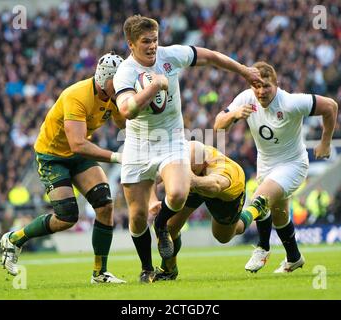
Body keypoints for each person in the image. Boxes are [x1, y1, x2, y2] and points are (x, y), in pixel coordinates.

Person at [113, 15, 263, 283]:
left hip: (171, 140)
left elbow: (210, 57)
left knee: (179, 193)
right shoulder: (125, 72)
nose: (152, 46)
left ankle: (162, 227)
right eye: (145, 41)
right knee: (136, 218)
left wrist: (243, 70)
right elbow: (127, 110)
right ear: (131, 44)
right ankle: (147, 268)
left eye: (155, 40)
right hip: (137, 145)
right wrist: (156, 86)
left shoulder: (171, 55)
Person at [0, 52, 127, 284]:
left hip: (77, 154)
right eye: (118, 80)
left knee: (105, 205)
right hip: (53, 156)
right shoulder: (76, 95)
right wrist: (117, 157)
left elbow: (123, 124)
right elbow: (77, 143)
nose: (121, 84)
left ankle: (100, 273)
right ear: (104, 78)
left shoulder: (113, 95)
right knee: (67, 217)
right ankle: (14, 238)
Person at [214, 61, 338, 273]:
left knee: (260, 198)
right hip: (265, 164)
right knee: (279, 214)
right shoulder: (245, 98)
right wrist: (234, 115)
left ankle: (261, 246)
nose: (261, 91)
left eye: (266, 86)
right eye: (257, 86)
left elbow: (331, 106)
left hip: (293, 164)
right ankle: (294, 257)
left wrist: (325, 142)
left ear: (276, 84)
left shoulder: (290, 102)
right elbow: (217, 125)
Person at [151, 141, 267, 281]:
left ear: (204, 164)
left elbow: (215, 186)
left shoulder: (223, 169)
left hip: (224, 195)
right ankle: (169, 270)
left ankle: (256, 209)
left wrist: (190, 180)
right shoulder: (185, 156)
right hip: (196, 181)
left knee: (223, 237)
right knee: (170, 226)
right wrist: (152, 199)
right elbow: (152, 175)